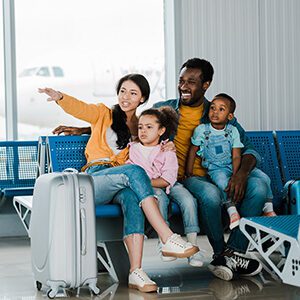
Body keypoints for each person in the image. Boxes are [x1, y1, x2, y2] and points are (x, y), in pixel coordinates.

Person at [51, 58, 266, 282]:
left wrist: (241, 173)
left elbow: (133, 128)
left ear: (206, 85)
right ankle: (175, 239)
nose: (183, 86)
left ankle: (140, 271)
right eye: (181, 80)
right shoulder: (165, 109)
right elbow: (115, 122)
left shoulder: (215, 111)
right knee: (197, 192)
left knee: (259, 186)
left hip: (208, 172)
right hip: (181, 177)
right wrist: (85, 126)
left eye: (191, 82)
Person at [38, 73, 199, 293]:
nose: (126, 97)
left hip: (121, 182)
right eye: (123, 91)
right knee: (134, 171)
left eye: (133, 93)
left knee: (132, 198)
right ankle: (167, 235)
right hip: (95, 179)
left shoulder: (140, 126)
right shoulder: (104, 113)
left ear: (142, 99)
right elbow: (82, 109)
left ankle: (136, 272)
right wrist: (59, 97)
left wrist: (165, 146)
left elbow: (150, 142)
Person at [185, 93, 276, 231]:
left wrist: (236, 174)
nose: (215, 112)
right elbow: (193, 150)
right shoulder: (202, 130)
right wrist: (188, 171)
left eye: (221, 109)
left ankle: (268, 209)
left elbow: (236, 156)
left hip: (234, 165)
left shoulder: (233, 131)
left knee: (264, 178)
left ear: (230, 116)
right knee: (223, 182)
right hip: (216, 168)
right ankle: (232, 211)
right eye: (212, 108)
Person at [126, 107, 204, 267]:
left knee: (188, 200)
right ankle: (165, 241)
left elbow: (168, 178)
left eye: (149, 127)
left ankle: (192, 244)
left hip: (168, 184)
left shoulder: (167, 149)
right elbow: (131, 171)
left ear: (161, 130)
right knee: (159, 198)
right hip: (152, 188)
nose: (143, 131)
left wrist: (143, 181)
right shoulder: (133, 149)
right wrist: (143, 183)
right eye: (140, 127)